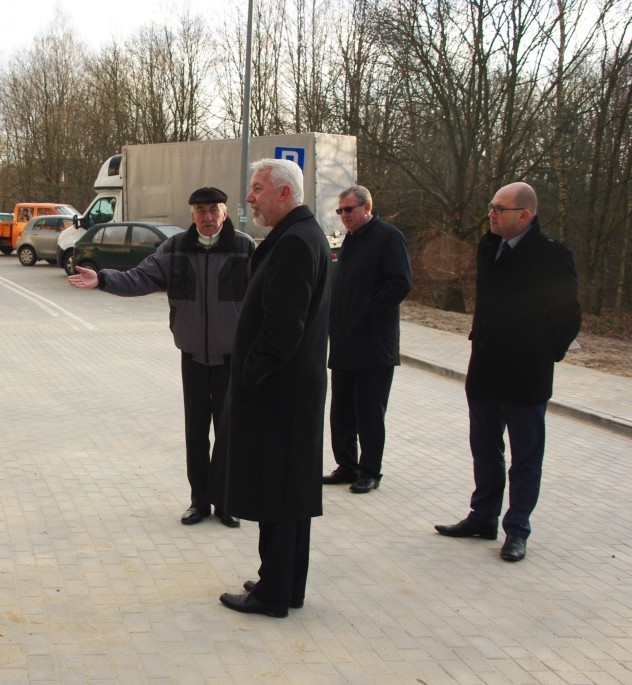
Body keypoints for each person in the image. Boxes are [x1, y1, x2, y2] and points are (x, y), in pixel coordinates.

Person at [67, 187, 255, 528]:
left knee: (230, 434)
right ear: (192, 215)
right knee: (196, 433)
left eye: (214, 209)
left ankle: (226, 502)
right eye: (200, 210)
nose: (208, 217)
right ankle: (199, 502)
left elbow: (263, 297)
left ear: (225, 212)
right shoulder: (175, 248)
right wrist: (103, 279)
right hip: (193, 356)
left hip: (233, 358)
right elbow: (140, 277)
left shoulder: (245, 247)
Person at [435, 182, 580, 563]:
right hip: (485, 370)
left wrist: (546, 353)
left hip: (525, 375)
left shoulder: (551, 255)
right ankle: (482, 516)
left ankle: (517, 529)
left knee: (525, 457)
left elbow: (568, 316)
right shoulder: (489, 246)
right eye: (491, 206)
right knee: (484, 449)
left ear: (525, 215)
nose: (491, 213)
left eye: (500, 208)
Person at [218, 158, 331, 617]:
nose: (249, 198)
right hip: (291, 392)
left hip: (279, 394)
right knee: (290, 492)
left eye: (257, 188)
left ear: (284, 193)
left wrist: (251, 373)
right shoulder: (300, 235)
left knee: (276, 491)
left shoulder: (296, 244)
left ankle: (271, 594)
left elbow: (284, 329)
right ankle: (286, 584)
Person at [324, 186, 412, 493]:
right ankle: (347, 465)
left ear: (367, 206)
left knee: (369, 412)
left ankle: (370, 471)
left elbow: (400, 283)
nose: (344, 216)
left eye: (349, 209)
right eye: (341, 211)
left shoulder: (388, 238)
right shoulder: (348, 241)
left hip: (374, 344)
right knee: (342, 410)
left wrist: (367, 314)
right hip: (344, 341)